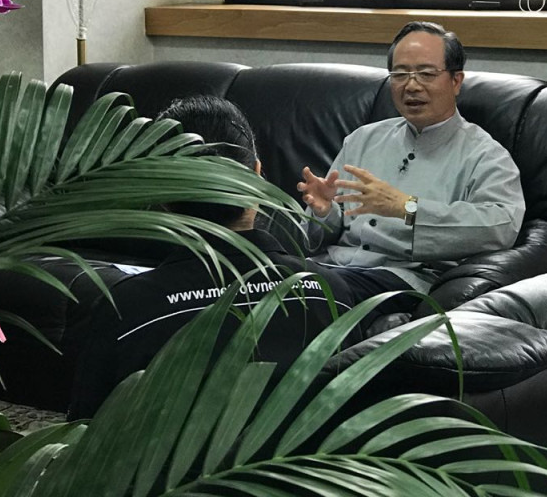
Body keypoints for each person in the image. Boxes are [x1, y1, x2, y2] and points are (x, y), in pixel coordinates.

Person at [68, 95, 360, 420]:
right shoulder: (332, 293)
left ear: (161, 193)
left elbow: (87, 434)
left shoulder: (127, 310)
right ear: (257, 174)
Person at [297, 21, 526, 299]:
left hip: (400, 278)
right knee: (266, 277)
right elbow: (319, 236)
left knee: (309, 292)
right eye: (400, 74)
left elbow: (501, 227)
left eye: (426, 74)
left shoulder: (484, 155)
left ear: (456, 81)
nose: (412, 86)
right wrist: (324, 212)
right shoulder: (363, 139)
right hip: (332, 266)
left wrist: (408, 208)